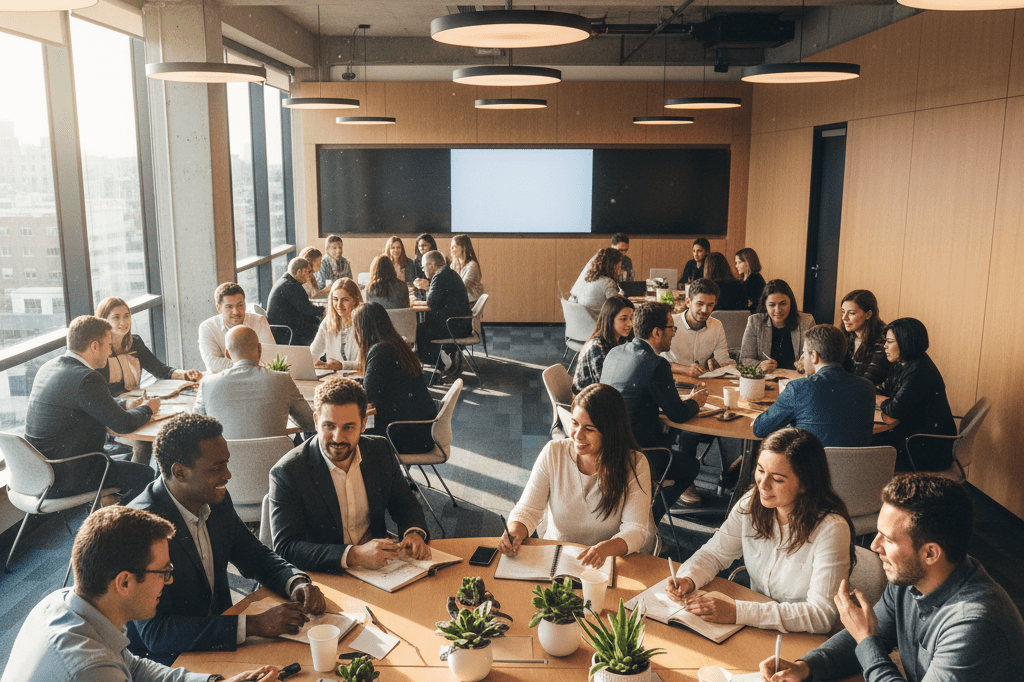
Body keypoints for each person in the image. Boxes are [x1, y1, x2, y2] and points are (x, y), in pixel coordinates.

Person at [761, 474, 1024, 682]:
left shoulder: (974, 625)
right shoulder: (910, 580)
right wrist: (806, 666)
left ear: (930, 553)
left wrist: (865, 639)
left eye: (887, 539)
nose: (874, 546)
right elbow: (867, 636)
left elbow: (866, 640)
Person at [1, 505, 280, 682]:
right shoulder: (91, 670)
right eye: (163, 571)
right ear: (124, 583)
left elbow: (134, 669)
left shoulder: (60, 602)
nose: (168, 582)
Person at [127, 413, 326, 657]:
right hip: (172, 661)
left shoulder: (215, 499)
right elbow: (156, 633)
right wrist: (253, 625)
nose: (228, 475)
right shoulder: (139, 526)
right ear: (180, 472)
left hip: (223, 643)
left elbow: (254, 556)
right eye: (217, 467)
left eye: (227, 463)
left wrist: (295, 582)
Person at [669, 428, 855, 635]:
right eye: (760, 470)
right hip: (758, 625)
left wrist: (739, 612)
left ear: (805, 485)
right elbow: (714, 553)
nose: (762, 484)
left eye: (777, 479)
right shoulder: (752, 502)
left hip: (804, 635)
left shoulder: (831, 529)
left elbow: (821, 615)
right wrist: (689, 578)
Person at [268, 377, 431, 574]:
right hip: (325, 574)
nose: (337, 437)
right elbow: (287, 548)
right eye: (329, 426)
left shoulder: (379, 450)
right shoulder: (288, 472)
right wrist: (353, 555)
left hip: (380, 571)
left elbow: (404, 503)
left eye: (348, 427)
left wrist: (413, 532)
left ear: (363, 424)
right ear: (316, 421)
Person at [499, 384, 656, 567]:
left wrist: (604, 550)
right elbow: (527, 510)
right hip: (556, 559)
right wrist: (515, 531)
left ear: (611, 431)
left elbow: (635, 530)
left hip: (608, 563)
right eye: (574, 423)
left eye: (589, 429)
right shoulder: (553, 452)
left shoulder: (634, 464)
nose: (577, 435)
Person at [24, 315, 158, 504]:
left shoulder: (49, 367)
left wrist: (125, 404)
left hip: (39, 474)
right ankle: (126, 526)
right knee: (147, 473)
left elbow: (87, 405)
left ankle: (108, 508)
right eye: (109, 345)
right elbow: (123, 424)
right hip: (68, 476)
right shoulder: (87, 378)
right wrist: (148, 409)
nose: (110, 351)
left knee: (124, 456)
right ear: (94, 346)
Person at [600, 302, 707, 521]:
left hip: (608, 448)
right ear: (656, 332)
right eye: (672, 328)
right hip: (640, 454)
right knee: (689, 465)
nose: (674, 334)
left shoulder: (615, 352)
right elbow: (677, 414)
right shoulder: (657, 364)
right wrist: (696, 402)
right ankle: (649, 519)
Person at [752, 325, 875, 448]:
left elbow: (760, 429)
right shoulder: (868, 387)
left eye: (804, 352)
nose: (803, 357)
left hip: (813, 466)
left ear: (814, 356)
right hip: (858, 465)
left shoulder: (799, 388)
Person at [192, 326, 315, 439]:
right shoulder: (282, 380)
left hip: (226, 461)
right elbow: (310, 422)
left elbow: (194, 432)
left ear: (228, 354)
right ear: (260, 349)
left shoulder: (207, 384)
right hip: (276, 460)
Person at [873, 318, 957, 472]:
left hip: (927, 448)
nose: (885, 346)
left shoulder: (919, 371)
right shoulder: (906, 363)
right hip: (915, 436)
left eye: (890, 342)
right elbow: (886, 388)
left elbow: (895, 409)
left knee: (863, 444)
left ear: (905, 343)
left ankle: (868, 491)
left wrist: (878, 399)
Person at [354, 302, 436, 452]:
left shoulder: (380, 350)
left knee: (346, 437)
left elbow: (369, 398)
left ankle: (373, 475)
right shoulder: (396, 344)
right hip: (421, 431)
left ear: (362, 329)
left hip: (404, 434)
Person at [97, 296, 202, 396]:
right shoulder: (98, 349)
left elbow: (160, 370)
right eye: (116, 318)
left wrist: (185, 375)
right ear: (103, 320)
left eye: (126, 316)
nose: (123, 322)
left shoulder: (135, 342)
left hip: (136, 401)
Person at [415, 250, 473, 373]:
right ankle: (440, 363)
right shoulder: (447, 273)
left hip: (454, 327)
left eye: (424, 266)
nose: (423, 270)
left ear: (432, 265)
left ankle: (439, 364)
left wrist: (426, 287)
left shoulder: (440, 276)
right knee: (424, 326)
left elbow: (431, 303)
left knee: (420, 329)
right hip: (461, 324)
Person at [198, 282, 275, 373]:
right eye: (229, 307)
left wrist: (240, 365)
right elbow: (213, 364)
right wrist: (250, 364)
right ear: (219, 308)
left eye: (240, 305)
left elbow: (271, 356)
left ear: (245, 304)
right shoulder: (207, 327)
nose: (236, 312)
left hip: (255, 378)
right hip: (222, 381)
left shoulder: (259, 321)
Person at [740, 279, 815, 372]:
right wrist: (759, 365)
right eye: (772, 305)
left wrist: (806, 363)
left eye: (783, 304)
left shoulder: (806, 321)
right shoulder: (755, 322)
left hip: (796, 380)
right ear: (765, 306)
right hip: (767, 380)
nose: (778, 310)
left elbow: (815, 356)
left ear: (791, 303)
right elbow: (744, 360)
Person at [662, 278, 731, 378]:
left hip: (702, 381)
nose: (705, 310)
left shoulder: (717, 325)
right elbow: (652, 360)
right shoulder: (670, 323)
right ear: (688, 302)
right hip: (672, 379)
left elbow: (724, 360)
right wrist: (684, 369)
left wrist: (719, 365)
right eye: (700, 304)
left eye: (710, 305)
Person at [572, 295, 634, 394]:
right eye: (623, 319)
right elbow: (606, 388)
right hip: (588, 403)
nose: (630, 323)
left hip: (602, 397)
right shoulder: (597, 347)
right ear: (610, 320)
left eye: (631, 318)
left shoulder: (620, 340)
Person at [266, 257, 324, 346]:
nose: (309, 275)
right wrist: (324, 309)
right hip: (287, 332)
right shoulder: (292, 286)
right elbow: (308, 310)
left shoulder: (285, 281)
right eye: (307, 272)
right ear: (299, 272)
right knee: (323, 329)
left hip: (281, 329)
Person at [311, 277, 363, 371]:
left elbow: (364, 364)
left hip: (357, 379)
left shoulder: (363, 323)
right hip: (334, 378)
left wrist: (341, 366)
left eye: (345, 300)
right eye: (335, 299)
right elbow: (313, 352)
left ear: (355, 300)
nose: (339, 305)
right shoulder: (328, 322)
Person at [840, 289, 889, 385]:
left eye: (851, 313)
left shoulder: (884, 338)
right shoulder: (846, 335)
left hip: (871, 393)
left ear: (868, 314)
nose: (844, 318)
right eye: (843, 312)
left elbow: (869, 380)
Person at [570, 247, 622, 319]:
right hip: (599, 325)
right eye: (618, 267)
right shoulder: (608, 282)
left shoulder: (588, 280)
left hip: (584, 322)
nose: (619, 271)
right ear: (611, 267)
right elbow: (617, 306)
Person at [450, 234, 484, 303]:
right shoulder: (453, 265)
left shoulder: (472, 265)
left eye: (455, 247)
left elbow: (460, 288)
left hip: (470, 303)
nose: (452, 250)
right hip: (459, 303)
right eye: (451, 247)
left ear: (463, 247)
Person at [735, 247, 766, 314]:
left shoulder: (755, 279)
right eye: (736, 263)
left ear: (748, 262)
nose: (736, 266)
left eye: (739, 262)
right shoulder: (743, 279)